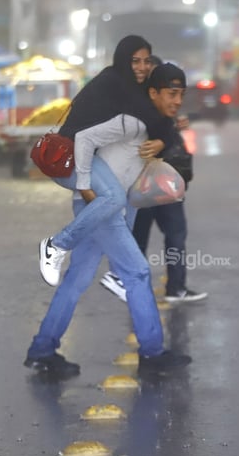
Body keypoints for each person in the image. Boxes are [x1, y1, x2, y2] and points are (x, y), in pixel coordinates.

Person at [25, 62, 194, 377]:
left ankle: (42, 350)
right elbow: (87, 141)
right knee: (138, 273)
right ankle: (152, 354)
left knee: (75, 282)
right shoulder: (133, 122)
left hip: (101, 211)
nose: (177, 100)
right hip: (100, 208)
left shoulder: (152, 125)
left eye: (181, 94)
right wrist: (88, 186)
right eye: (171, 93)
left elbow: (131, 175)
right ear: (153, 92)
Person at [38, 35, 175, 287]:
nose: (142, 67)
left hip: (90, 155)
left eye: (146, 61)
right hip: (72, 155)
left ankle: (118, 272)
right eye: (135, 61)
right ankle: (56, 245)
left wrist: (164, 137)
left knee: (130, 197)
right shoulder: (116, 83)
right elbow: (156, 120)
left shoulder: (126, 84)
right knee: (114, 198)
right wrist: (84, 183)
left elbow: (157, 120)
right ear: (124, 59)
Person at [101, 56, 207, 304]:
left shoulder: (144, 107)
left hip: (159, 184)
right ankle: (154, 287)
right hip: (147, 185)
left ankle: (170, 287)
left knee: (170, 236)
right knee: (160, 237)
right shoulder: (136, 110)